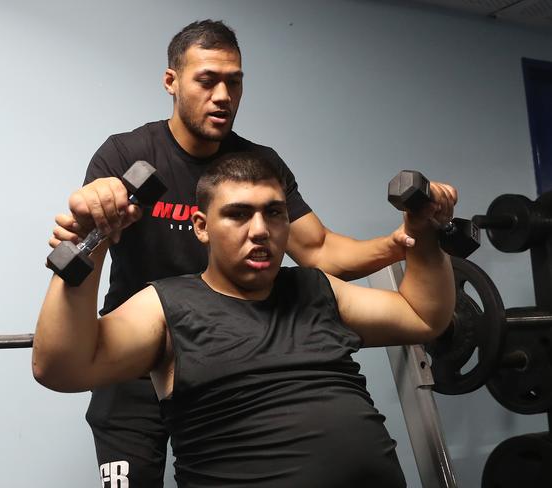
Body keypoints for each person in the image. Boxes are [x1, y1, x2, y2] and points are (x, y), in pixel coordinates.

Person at [51, 19, 442, 487]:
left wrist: (402, 243)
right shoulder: (127, 153)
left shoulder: (258, 166)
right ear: (171, 81)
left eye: (234, 82)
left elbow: (318, 249)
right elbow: (91, 237)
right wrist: (96, 211)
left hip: (230, 353)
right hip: (137, 347)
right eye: (207, 80)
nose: (223, 95)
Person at [33, 152, 456, 488]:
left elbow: (423, 316)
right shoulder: (166, 304)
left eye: (274, 213)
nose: (260, 230)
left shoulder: (315, 288)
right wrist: (92, 244)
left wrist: (425, 232)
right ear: (201, 226)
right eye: (238, 214)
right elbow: (61, 367)